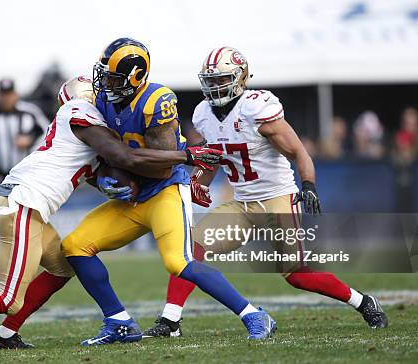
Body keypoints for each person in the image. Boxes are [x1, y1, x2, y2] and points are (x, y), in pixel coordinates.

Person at [0, 76, 221, 353]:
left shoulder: (86, 134)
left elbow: (104, 171)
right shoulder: (79, 113)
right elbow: (123, 156)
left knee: (63, 266)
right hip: (22, 203)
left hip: (25, 202)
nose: (103, 97)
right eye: (95, 92)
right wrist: (186, 156)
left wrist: (120, 185)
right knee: (7, 296)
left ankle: (6, 335)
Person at [142, 47, 388, 339]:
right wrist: (198, 182)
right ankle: (171, 322)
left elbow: (299, 152)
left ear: (239, 78)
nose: (215, 86)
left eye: (221, 79)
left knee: (296, 275)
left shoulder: (257, 108)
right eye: (211, 80)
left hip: (277, 199)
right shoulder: (204, 115)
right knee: (191, 250)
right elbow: (213, 159)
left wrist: (308, 185)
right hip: (242, 203)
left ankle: (363, 301)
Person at [61, 38, 276, 347]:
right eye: (105, 76)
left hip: (164, 191)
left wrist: (126, 166)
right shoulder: (104, 102)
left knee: (179, 261)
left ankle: (254, 315)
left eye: (114, 78)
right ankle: (119, 322)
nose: (106, 84)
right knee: (75, 245)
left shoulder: (156, 101)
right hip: (133, 198)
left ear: (136, 78)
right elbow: (101, 159)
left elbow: (160, 168)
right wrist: (108, 179)